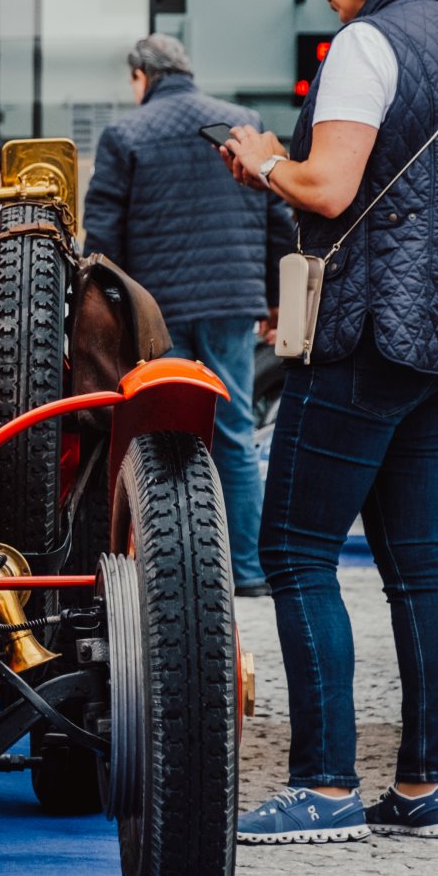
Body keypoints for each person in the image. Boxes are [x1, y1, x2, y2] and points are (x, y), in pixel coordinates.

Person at [220, 0, 438, 844]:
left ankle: (325, 785)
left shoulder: (365, 45)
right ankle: (429, 788)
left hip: (369, 325)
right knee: (419, 561)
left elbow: (331, 185)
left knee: (297, 550)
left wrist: (265, 159)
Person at [82, 34, 291, 599]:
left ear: (141, 76)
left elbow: (102, 232)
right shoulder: (242, 123)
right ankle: (246, 571)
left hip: (157, 311)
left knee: (161, 431)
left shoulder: (127, 134)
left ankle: (170, 572)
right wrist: (275, 296)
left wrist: (104, 305)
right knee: (235, 429)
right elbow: (277, 213)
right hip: (231, 302)